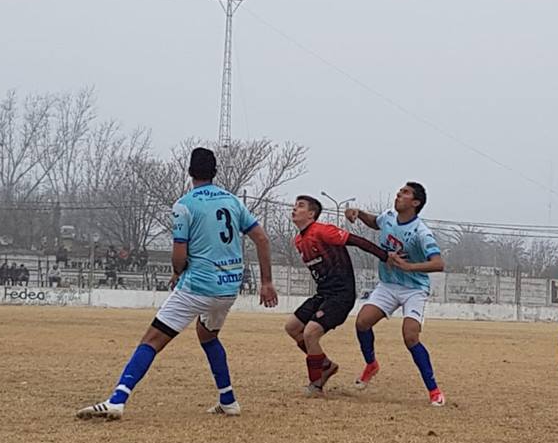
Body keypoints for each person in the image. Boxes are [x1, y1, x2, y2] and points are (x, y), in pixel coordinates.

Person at [77, 146, 279, 420]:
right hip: (229, 288)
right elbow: (263, 239)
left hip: (198, 286)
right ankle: (228, 401)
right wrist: (266, 282)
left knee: (152, 339)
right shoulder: (233, 201)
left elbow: (179, 254)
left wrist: (177, 271)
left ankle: (117, 400)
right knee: (207, 335)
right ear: (215, 172)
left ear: (189, 172)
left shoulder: (185, 205)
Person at [344, 182, 447, 407]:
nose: (399, 194)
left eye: (405, 193)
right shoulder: (389, 216)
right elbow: (375, 222)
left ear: (416, 203)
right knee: (362, 322)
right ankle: (371, 365)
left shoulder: (421, 232)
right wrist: (359, 213)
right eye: (400, 191)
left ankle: (434, 391)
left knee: (410, 337)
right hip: (388, 285)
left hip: (414, 289)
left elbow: (438, 263)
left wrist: (408, 267)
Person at [285, 195, 387, 397]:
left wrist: (385, 256)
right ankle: (326, 365)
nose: (294, 209)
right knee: (292, 328)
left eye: (300, 206)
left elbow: (358, 241)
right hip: (323, 294)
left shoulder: (323, 231)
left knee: (310, 333)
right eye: (295, 205)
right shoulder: (299, 240)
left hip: (341, 295)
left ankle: (316, 384)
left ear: (311, 214)